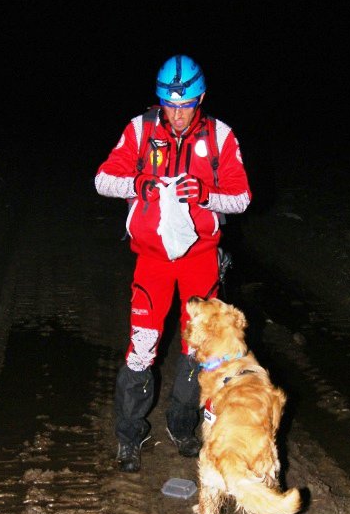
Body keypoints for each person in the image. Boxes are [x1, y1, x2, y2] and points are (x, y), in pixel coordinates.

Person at [95, 54, 251, 472]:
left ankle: (182, 427)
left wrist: (204, 193)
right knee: (142, 345)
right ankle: (130, 434)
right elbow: (103, 180)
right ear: (159, 100)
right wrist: (139, 182)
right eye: (170, 104)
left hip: (201, 261)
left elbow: (241, 198)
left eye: (186, 105)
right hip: (152, 261)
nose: (178, 115)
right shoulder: (140, 130)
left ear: (200, 100)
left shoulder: (220, 136)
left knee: (196, 347)